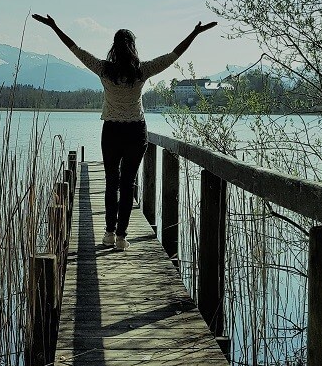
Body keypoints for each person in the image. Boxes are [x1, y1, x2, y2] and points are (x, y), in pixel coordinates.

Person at [32, 13, 216, 251]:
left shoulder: (103, 69)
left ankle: (108, 233)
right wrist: (194, 33)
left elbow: (75, 49)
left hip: (111, 131)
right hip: (136, 132)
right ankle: (121, 237)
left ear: (114, 48)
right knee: (127, 185)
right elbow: (173, 55)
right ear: (132, 47)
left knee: (112, 183)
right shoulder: (142, 71)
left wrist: (54, 26)